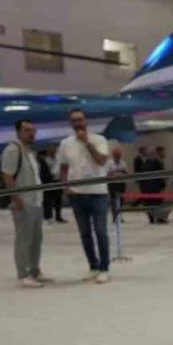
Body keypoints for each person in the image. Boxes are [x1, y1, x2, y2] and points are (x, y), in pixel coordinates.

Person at [56, 109, 112, 283]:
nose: (78, 123)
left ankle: (104, 268)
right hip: (77, 195)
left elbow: (102, 161)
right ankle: (93, 266)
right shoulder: (65, 144)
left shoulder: (99, 140)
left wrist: (87, 143)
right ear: (70, 123)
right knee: (85, 233)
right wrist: (66, 186)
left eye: (80, 120)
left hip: (98, 193)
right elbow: (63, 167)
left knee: (101, 231)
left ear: (86, 121)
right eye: (74, 121)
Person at [0, 119, 50, 288]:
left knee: (36, 239)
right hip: (24, 201)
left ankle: (35, 270)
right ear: (18, 132)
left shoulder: (29, 151)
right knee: (24, 239)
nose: (31, 133)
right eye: (27, 130)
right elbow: (7, 175)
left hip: (36, 200)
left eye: (33, 130)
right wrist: (16, 198)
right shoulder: (13, 150)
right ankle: (23, 273)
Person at [38, 149, 65, 222]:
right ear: (48, 151)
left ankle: (58, 216)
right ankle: (48, 217)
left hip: (58, 181)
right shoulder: (45, 160)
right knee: (48, 200)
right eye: (51, 150)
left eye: (54, 150)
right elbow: (43, 171)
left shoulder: (59, 159)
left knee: (58, 200)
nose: (53, 151)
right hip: (48, 182)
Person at [106, 148, 129, 223]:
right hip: (112, 184)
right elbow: (106, 173)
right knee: (114, 201)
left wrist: (124, 171)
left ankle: (119, 216)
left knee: (121, 201)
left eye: (119, 156)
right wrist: (114, 171)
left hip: (121, 183)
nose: (118, 157)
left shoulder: (123, 162)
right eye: (116, 156)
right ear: (113, 156)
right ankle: (115, 216)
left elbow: (127, 173)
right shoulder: (109, 163)